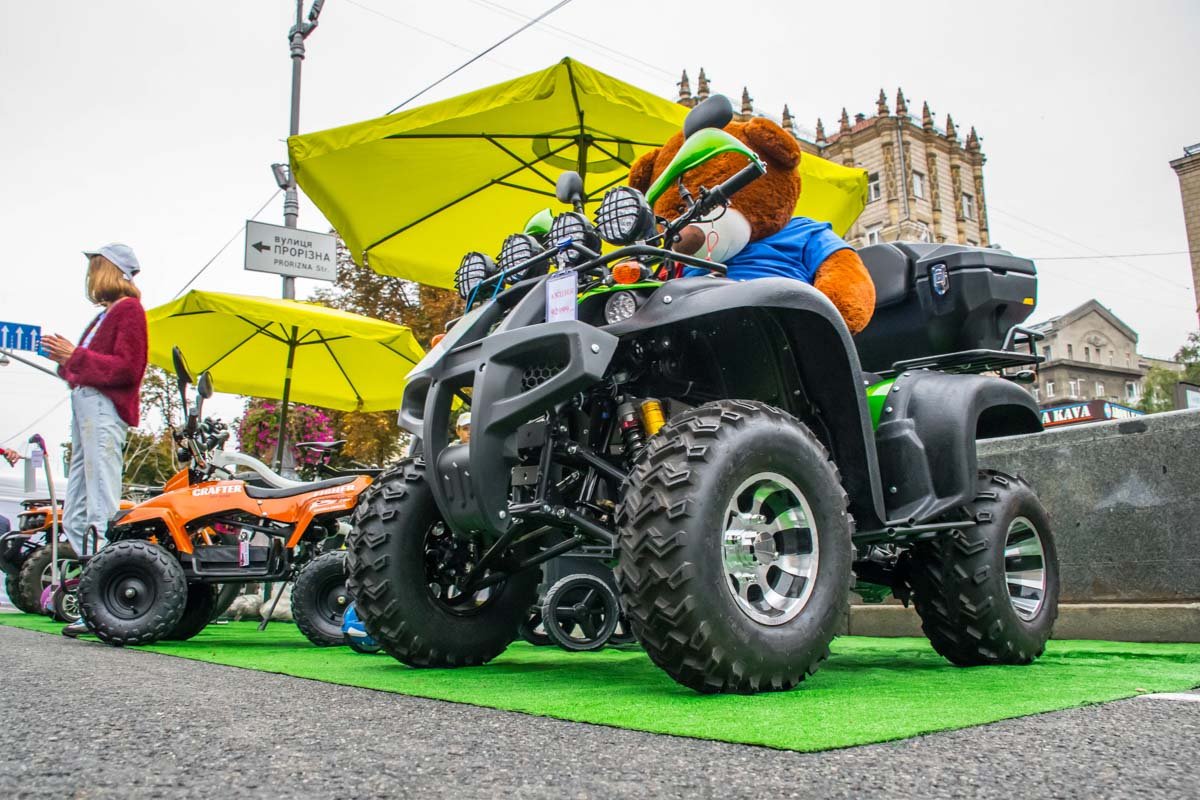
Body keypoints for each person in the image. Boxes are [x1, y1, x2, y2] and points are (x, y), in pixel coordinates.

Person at [41, 244, 148, 637]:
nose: (90, 275)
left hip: (103, 408)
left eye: (95, 267)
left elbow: (127, 369)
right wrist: (69, 362)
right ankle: (94, 596)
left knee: (100, 498)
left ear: (110, 271)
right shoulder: (106, 314)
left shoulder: (127, 311)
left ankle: (104, 598)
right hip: (88, 404)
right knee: (79, 505)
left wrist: (75, 357)